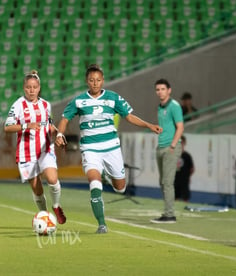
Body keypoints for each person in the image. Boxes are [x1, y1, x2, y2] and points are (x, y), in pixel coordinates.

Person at [55, 64, 162, 234]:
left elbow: (129, 117)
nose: (95, 83)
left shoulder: (113, 98)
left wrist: (149, 125)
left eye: (98, 80)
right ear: (86, 81)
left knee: (121, 187)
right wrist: (60, 134)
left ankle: (108, 175)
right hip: (90, 148)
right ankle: (102, 224)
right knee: (94, 183)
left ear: (103, 80)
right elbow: (64, 119)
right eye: (91, 80)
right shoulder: (79, 100)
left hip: (111, 148)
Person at [4, 70, 67, 225]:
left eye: (34, 87)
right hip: (26, 153)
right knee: (37, 190)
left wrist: (59, 134)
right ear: (23, 88)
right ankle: (45, 216)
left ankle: (57, 206)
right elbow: (7, 127)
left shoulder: (46, 105)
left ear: (39, 88)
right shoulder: (18, 105)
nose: (31, 90)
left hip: (45, 149)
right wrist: (27, 125)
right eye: (28, 87)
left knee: (52, 179)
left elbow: (49, 125)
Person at [151, 78, 184, 224]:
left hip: (170, 147)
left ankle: (170, 214)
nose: (160, 92)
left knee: (168, 182)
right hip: (161, 146)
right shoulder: (160, 106)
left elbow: (180, 127)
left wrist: (172, 145)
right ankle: (167, 212)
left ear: (169, 90)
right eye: (157, 89)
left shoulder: (174, 106)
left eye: (163, 89)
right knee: (163, 182)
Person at [174, 135, 194, 202]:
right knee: (174, 197)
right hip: (175, 179)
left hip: (184, 181)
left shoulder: (187, 156)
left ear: (184, 143)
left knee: (185, 197)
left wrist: (188, 176)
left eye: (182, 142)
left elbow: (192, 168)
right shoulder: (173, 155)